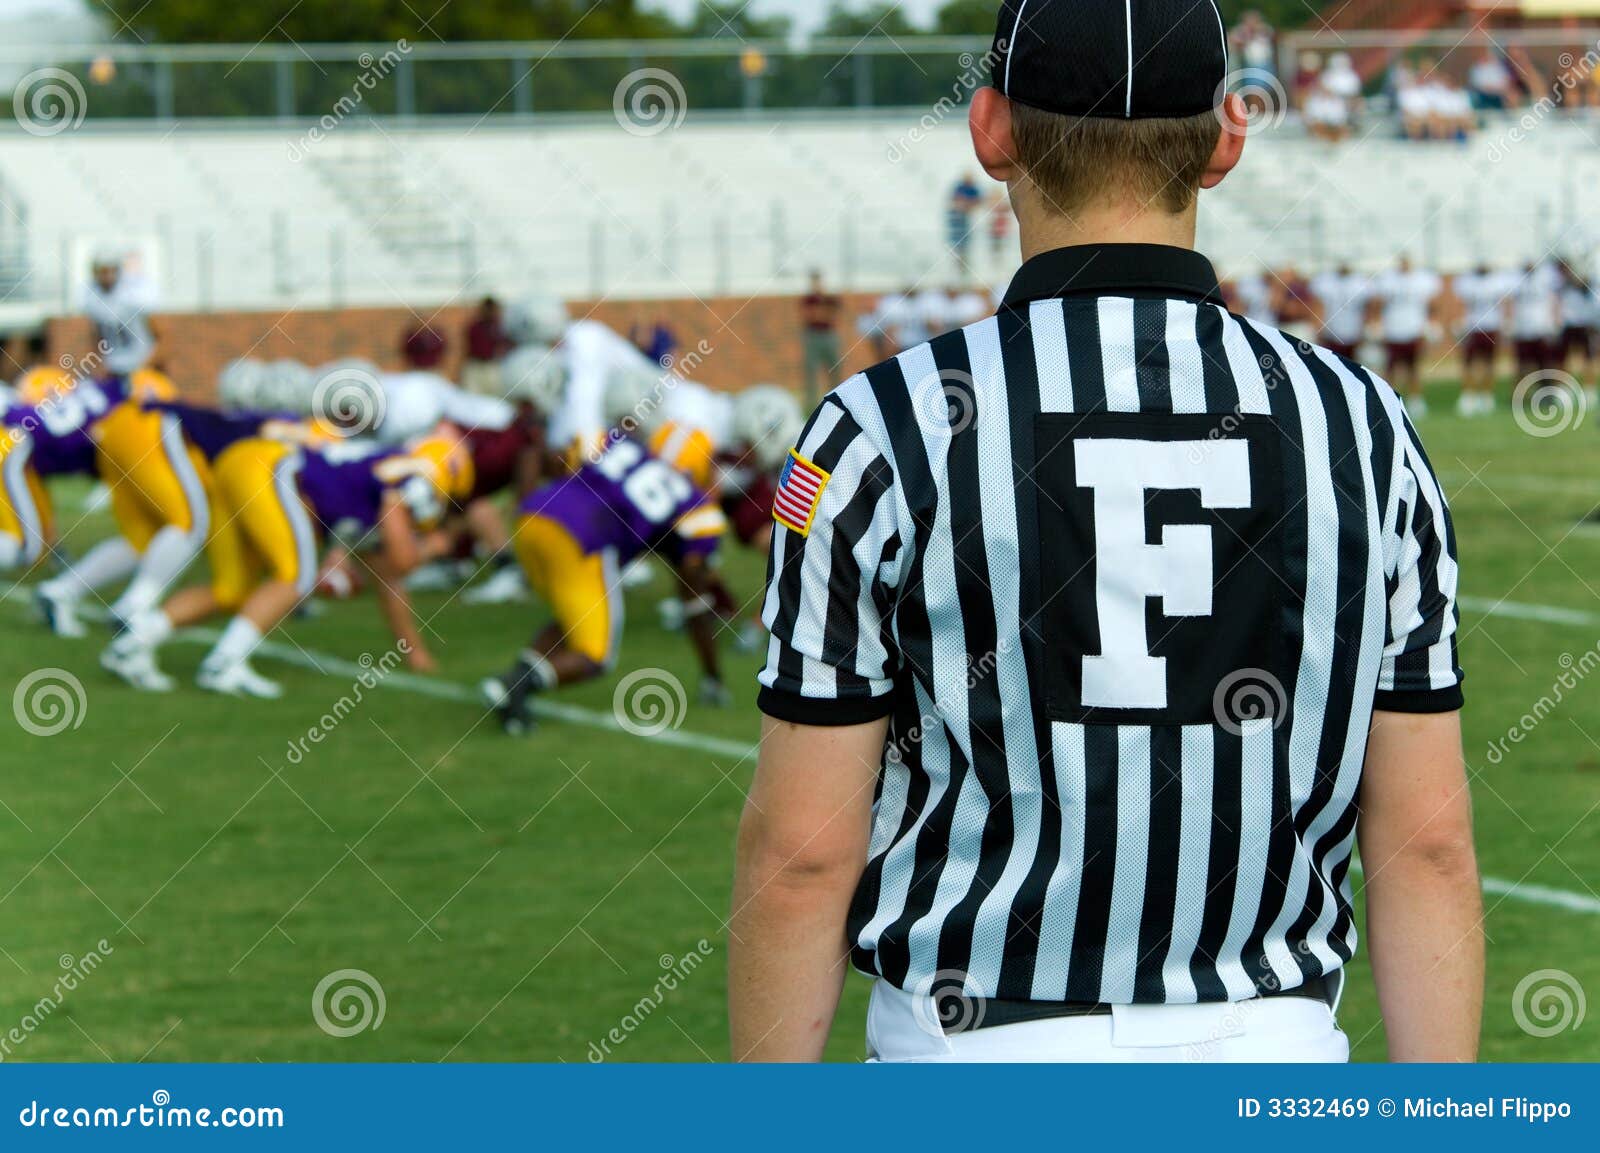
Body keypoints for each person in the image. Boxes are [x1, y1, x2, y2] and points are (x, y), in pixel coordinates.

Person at [731, 0, 1480, 1065]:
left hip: (974, 1045)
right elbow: (1426, 845)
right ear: (1227, 137)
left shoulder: (879, 427)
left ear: (990, 131)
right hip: (1266, 1046)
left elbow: (801, 855)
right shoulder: (1359, 424)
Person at [1374, 254, 1441, 415]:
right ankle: (1389, 400)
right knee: (1390, 368)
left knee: (1414, 368)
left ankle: (1415, 400)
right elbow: (1378, 305)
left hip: (1414, 328)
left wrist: (1430, 324)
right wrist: (1378, 324)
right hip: (1393, 329)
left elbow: (1433, 305)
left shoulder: (1423, 280)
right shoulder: (1387, 280)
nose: (1404, 264)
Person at [1452, 263, 1514, 415]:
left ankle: (1487, 395)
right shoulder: (1466, 281)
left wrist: (1506, 321)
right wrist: (1459, 321)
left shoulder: (1498, 281)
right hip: (1472, 326)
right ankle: (1469, 396)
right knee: (1468, 362)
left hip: (1491, 326)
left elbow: (1505, 302)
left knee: (1489, 362)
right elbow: (1459, 303)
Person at [798, 272, 843, 410]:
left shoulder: (829, 299)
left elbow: (832, 313)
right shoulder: (808, 299)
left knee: (834, 368)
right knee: (811, 369)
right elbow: (811, 316)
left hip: (828, 335)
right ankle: (812, 403)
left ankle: (836, 399)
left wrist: (822, 311)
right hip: (813, 336)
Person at [1309, 262, 1371, 360]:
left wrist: (1363, 330)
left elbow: (1368, 309)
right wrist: (1318, 328)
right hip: (1331, 332)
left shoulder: (1360, 282)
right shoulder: (1325, 281)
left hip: (1353, 332)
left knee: (1352, 367)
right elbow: (1317, 306)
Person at [461, 297, 512, 397]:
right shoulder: (475, 327)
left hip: (492, 366)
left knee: (496, 397)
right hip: (476, 366)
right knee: (472, 397)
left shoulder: (500, 327)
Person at [947, 172, 983, 267]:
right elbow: (955, 201)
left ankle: (964, 261)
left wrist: (968, 205)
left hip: (968, 219)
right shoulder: (960, 188)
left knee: (966, 243)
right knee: (959, 242)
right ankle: (959, 261)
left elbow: (978, 202)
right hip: (959, 221)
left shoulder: (974, 189)